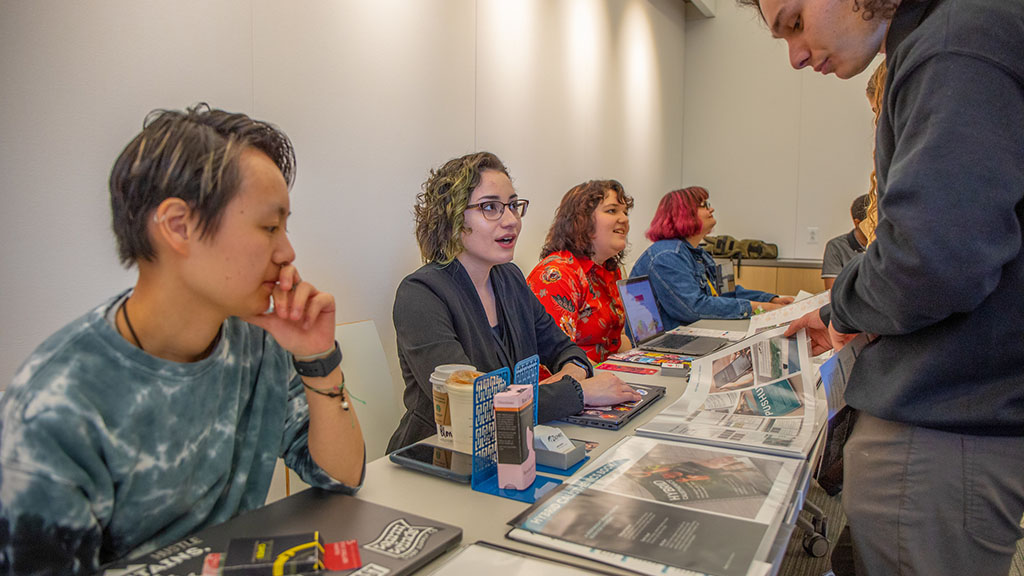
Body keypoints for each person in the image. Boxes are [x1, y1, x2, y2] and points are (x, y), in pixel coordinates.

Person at [0, 105, 366, 574]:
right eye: (270, 227)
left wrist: (317, 358)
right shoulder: (58, 406)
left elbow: (341, 476)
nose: (288, 251)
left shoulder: (256, 343)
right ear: (178, 226)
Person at [742, 0, 1024, 574]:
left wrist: (842, 309)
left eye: (795, 22)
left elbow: (934, 254)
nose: (796, 56)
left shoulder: (952, 43)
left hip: (941, 431)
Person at [387, 152, 640, 453]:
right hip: (438, 458)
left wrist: (563, 381)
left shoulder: (510, 279)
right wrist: (577, 392)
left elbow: (566, 350)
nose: (511, 221)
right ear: (451, 217)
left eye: (513, 206)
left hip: (511, 448)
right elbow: (473, 405)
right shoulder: (421, 293)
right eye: (490, 207)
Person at [629, 186, 791, 331]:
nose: (711, 209)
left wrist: (772, 300)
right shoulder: (667, 256)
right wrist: (759, 307)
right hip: (669, 344)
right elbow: (694, 308)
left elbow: (727, 293)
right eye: (704, 205)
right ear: (684, 214)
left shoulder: (698, 253)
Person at [527, 180, 633, 363]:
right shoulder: (557, 274)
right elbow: (562, 358)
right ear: (581, 220)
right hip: (575, 382)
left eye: (625, 211)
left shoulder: (609, 270)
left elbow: (618, 340)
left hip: (604, 377)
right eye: (611, 210)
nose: (624, 219)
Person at [820, 194, 869, 289]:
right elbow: (833, 292)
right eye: (872, 222)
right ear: (857, 223)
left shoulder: (888, 245)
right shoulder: (836, 247)